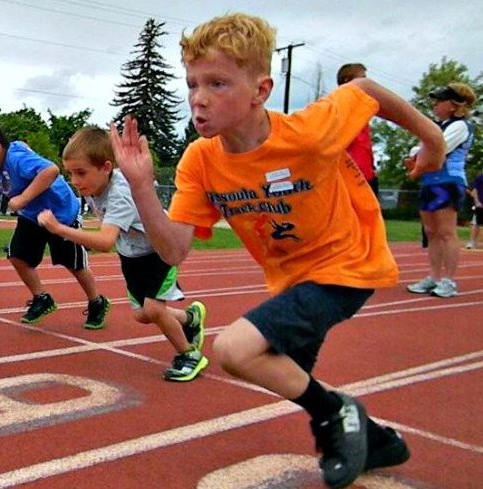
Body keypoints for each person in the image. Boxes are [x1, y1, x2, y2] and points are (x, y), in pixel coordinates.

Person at [110, 13, 445, 488]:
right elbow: (173, 250)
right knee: (284, 371)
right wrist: (143, 186)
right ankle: (375, 438)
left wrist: (431, 136)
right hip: (291, 279)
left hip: (348, 265)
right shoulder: (201, 160)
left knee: (234, 349)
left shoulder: (310, 131)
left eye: (218, 83)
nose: (199, 98)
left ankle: (336, 418)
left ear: (261, 91)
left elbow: (366, 90)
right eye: (193, 84)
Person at [39, 126, 208, 380]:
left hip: (160, 250)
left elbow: (105, 241)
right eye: (70, 173)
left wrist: (60, 229)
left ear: (106, 168)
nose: (75, 181)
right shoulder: (94, 188)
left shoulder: (120, 193)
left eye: (81, 173)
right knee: (142, 315)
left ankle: (189, 354)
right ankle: (189, 318)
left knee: (153, 310)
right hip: (132, 256)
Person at [0, 119, 110, 329]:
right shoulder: (3, 161)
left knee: (74, 264)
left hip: (60, 214)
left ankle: (96, 301)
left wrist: (22, 198)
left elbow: (51, 170)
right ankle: (41, 297)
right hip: (32, 216)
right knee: (17, 255)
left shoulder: (15, 158)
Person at [405, 83, 476, 298]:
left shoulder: (460, 126)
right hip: (429, 182)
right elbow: (418, 149)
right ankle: (434, 277)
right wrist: (417, 154)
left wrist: (417, 155)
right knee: (432, 232)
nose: (435, 105)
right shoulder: (437, 126)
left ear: (454, 105)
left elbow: (437, 147)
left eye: (440, 101)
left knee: (446, 232)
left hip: (448, 181)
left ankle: (448, 281)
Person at [337, 63, 379, 197]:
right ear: (347, 81)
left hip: (367, 175)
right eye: (362, 78)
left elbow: (364, 145)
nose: (366, 82)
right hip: (352, 176)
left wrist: (371, 168)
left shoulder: (361, 109)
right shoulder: (341, 108)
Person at [468, 169, 483, 249]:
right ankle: (472, 242)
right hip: (480, 205)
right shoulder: (480, 177)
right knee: (476, 223)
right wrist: (477, 202)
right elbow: (475, 191)